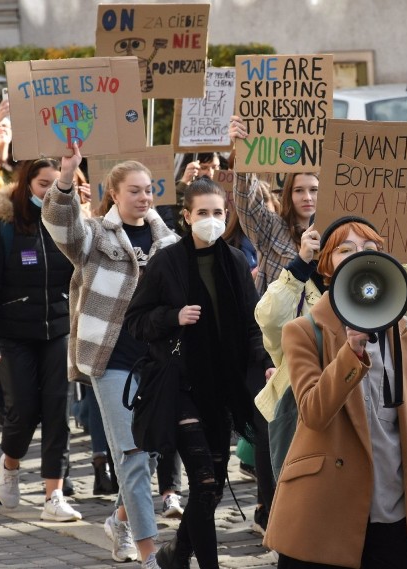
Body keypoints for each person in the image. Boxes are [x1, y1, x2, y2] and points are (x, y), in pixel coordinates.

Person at [261, 216, 407, 568]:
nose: (359, 255)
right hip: (328, 512)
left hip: (393, 507)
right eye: (345, 249)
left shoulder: (403, 332)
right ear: (327, 265)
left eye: (370, 249)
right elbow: (314, 412)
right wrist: (349, 353)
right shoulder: (303, 331)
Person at [42, 144, 178, 568]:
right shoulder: (96, 236)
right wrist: (66, 177)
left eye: (148, 190)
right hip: (111, 359)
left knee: (153, 448)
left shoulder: (169, 242)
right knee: (133, 455)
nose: (143, 197)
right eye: (134, 191)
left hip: (158, 361)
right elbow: (61, 225)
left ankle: (120, 519)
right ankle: (150, 553)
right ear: (114, 194)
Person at [124, 177, 271, 569]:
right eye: (202, 213)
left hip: (223, 388)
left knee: (212, 488)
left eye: (218, 212)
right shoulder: (167, 262)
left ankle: (176, 553)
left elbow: (251, 323)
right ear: (186, 217)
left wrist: (266, 361)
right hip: (181, 384)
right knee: (204, 481)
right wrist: (174, 316)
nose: (211, 220)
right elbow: (136, 321)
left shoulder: (237, 262)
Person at [0, 157, 82, 521]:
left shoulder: (70, 225)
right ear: (25, 186)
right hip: (14, 334)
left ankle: (54, 496)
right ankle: (11, 463)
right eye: (42, 184)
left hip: (59, 331)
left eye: (57, 184)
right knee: (23, 410)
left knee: (57, 411)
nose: (50, 192)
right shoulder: (2, 227)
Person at [229, 116, 317, 295]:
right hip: (280, 322)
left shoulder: (335, 235)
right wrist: (243, 149)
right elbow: (246, 201)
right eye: (299, 190)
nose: (307, 197)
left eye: (314, 190)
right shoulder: (272, 228)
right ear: (288, 195)